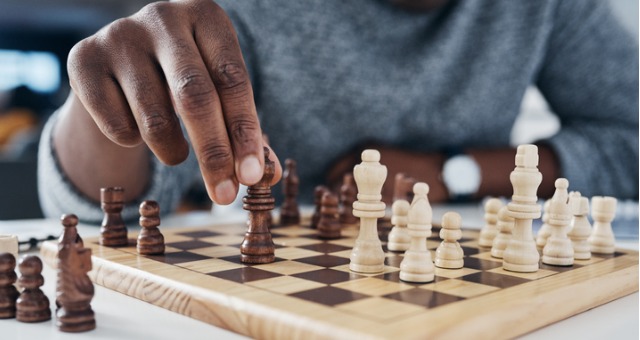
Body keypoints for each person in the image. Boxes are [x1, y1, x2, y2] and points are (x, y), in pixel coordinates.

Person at [38, 0, 638, 223]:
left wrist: (455, 170)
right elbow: (100, 204)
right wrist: (106, 103)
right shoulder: (239, 10)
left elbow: (630, 138)